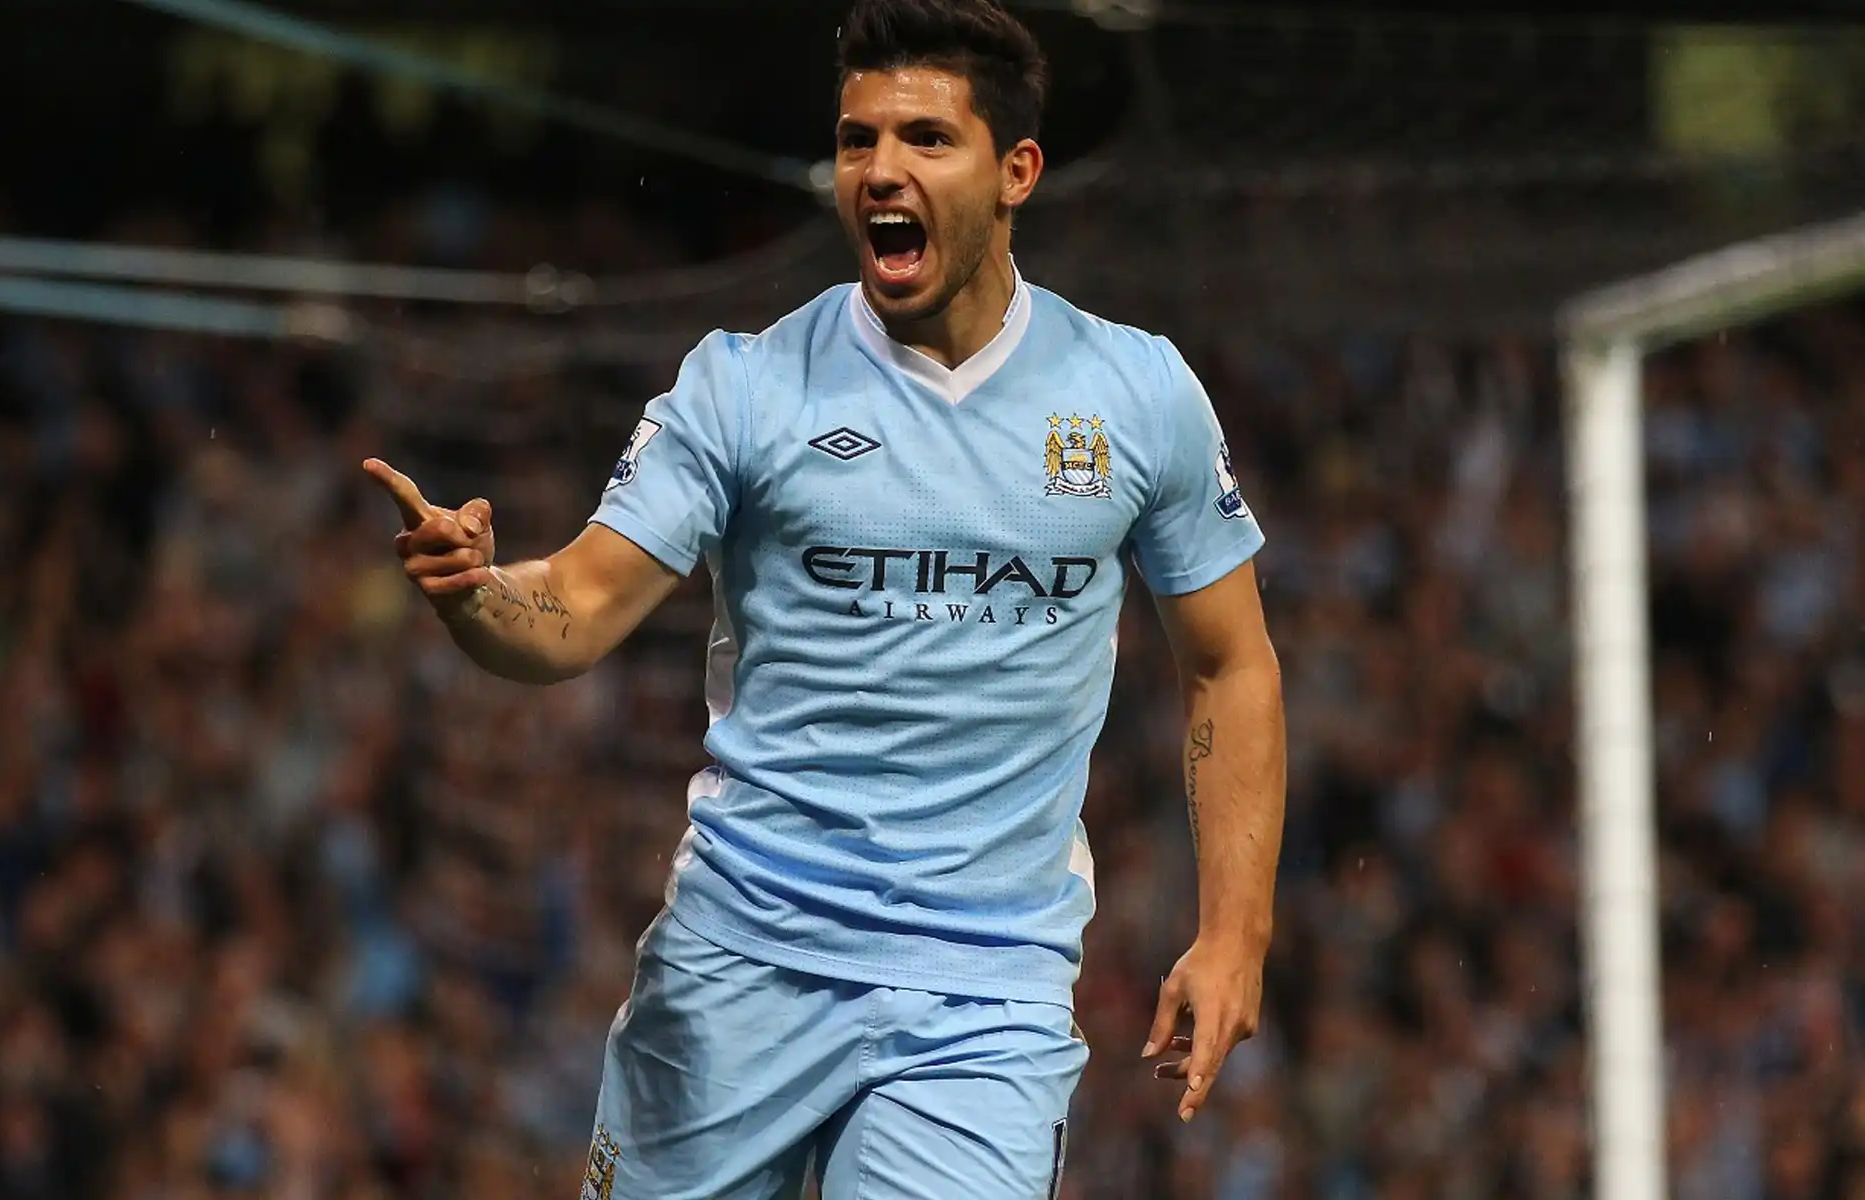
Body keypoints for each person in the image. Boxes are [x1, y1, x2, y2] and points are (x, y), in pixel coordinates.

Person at [364, 0, 1285, 1194]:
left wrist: (1235, 934)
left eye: (925, 138)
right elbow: (575, 609)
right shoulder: (744, 388)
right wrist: (478, 594)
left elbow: (1228, 662)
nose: (881, 170)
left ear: (1016, 172)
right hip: (739, 966)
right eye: (859, 140)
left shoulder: (1137, 395)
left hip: (984, 1001)